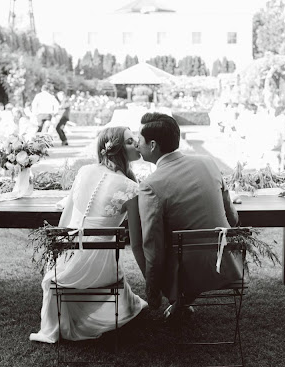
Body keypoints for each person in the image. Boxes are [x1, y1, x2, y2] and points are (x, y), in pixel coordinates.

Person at [29, 126, 147, 343]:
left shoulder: (85, 171)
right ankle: (121, 304)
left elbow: (66, 218)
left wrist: (59, 257)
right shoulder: (131, 188)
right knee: (114, 268)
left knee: (71, 269)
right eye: (130, 141)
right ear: (117, 149)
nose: (137, 143)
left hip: (69, 261)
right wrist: (150, 279)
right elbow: (137, 241)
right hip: (101, 267)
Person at [133, 113, 241, 319]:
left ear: (153, 145)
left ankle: (178, 301)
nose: (137, 144)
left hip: (187, 273)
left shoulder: (150, 185)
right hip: (225, 263)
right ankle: (181, 305)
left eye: (140, 140)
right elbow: (232, 219)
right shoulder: (208, 162)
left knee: (151, 245)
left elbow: (152, 246)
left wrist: (152, 291)